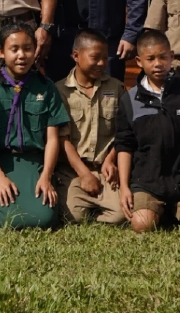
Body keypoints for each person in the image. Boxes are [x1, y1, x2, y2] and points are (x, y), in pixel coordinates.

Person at [115, 30, 180, 234]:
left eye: (163, 57)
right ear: (139, 61)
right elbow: (125, 145)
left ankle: (176, 209)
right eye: (150, 58)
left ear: (172, 56)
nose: (158, 63)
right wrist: (124, 186)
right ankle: (159, 210)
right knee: (142, 225)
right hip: (147, 181)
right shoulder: (129, 99)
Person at [0, 23, 70, 229]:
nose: (22, 55)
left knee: (43, 219)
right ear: (1, 52)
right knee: (10, 220)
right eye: (14, 49)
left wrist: (46, 177)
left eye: (28, 49)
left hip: (34, 161)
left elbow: (53, 138)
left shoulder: (46, 87)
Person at [54, 30, 126, 225]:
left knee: (121, 215)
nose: (102, 63)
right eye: (95, 57)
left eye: (105, 58)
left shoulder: (116, 88)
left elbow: (123, 133)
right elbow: (62, 139)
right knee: (72, 217)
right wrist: (84, 174)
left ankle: (97, 209)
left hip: (105, 170)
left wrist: (111, 160)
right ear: (76, 56)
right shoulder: (60, 91)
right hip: (73, 170)